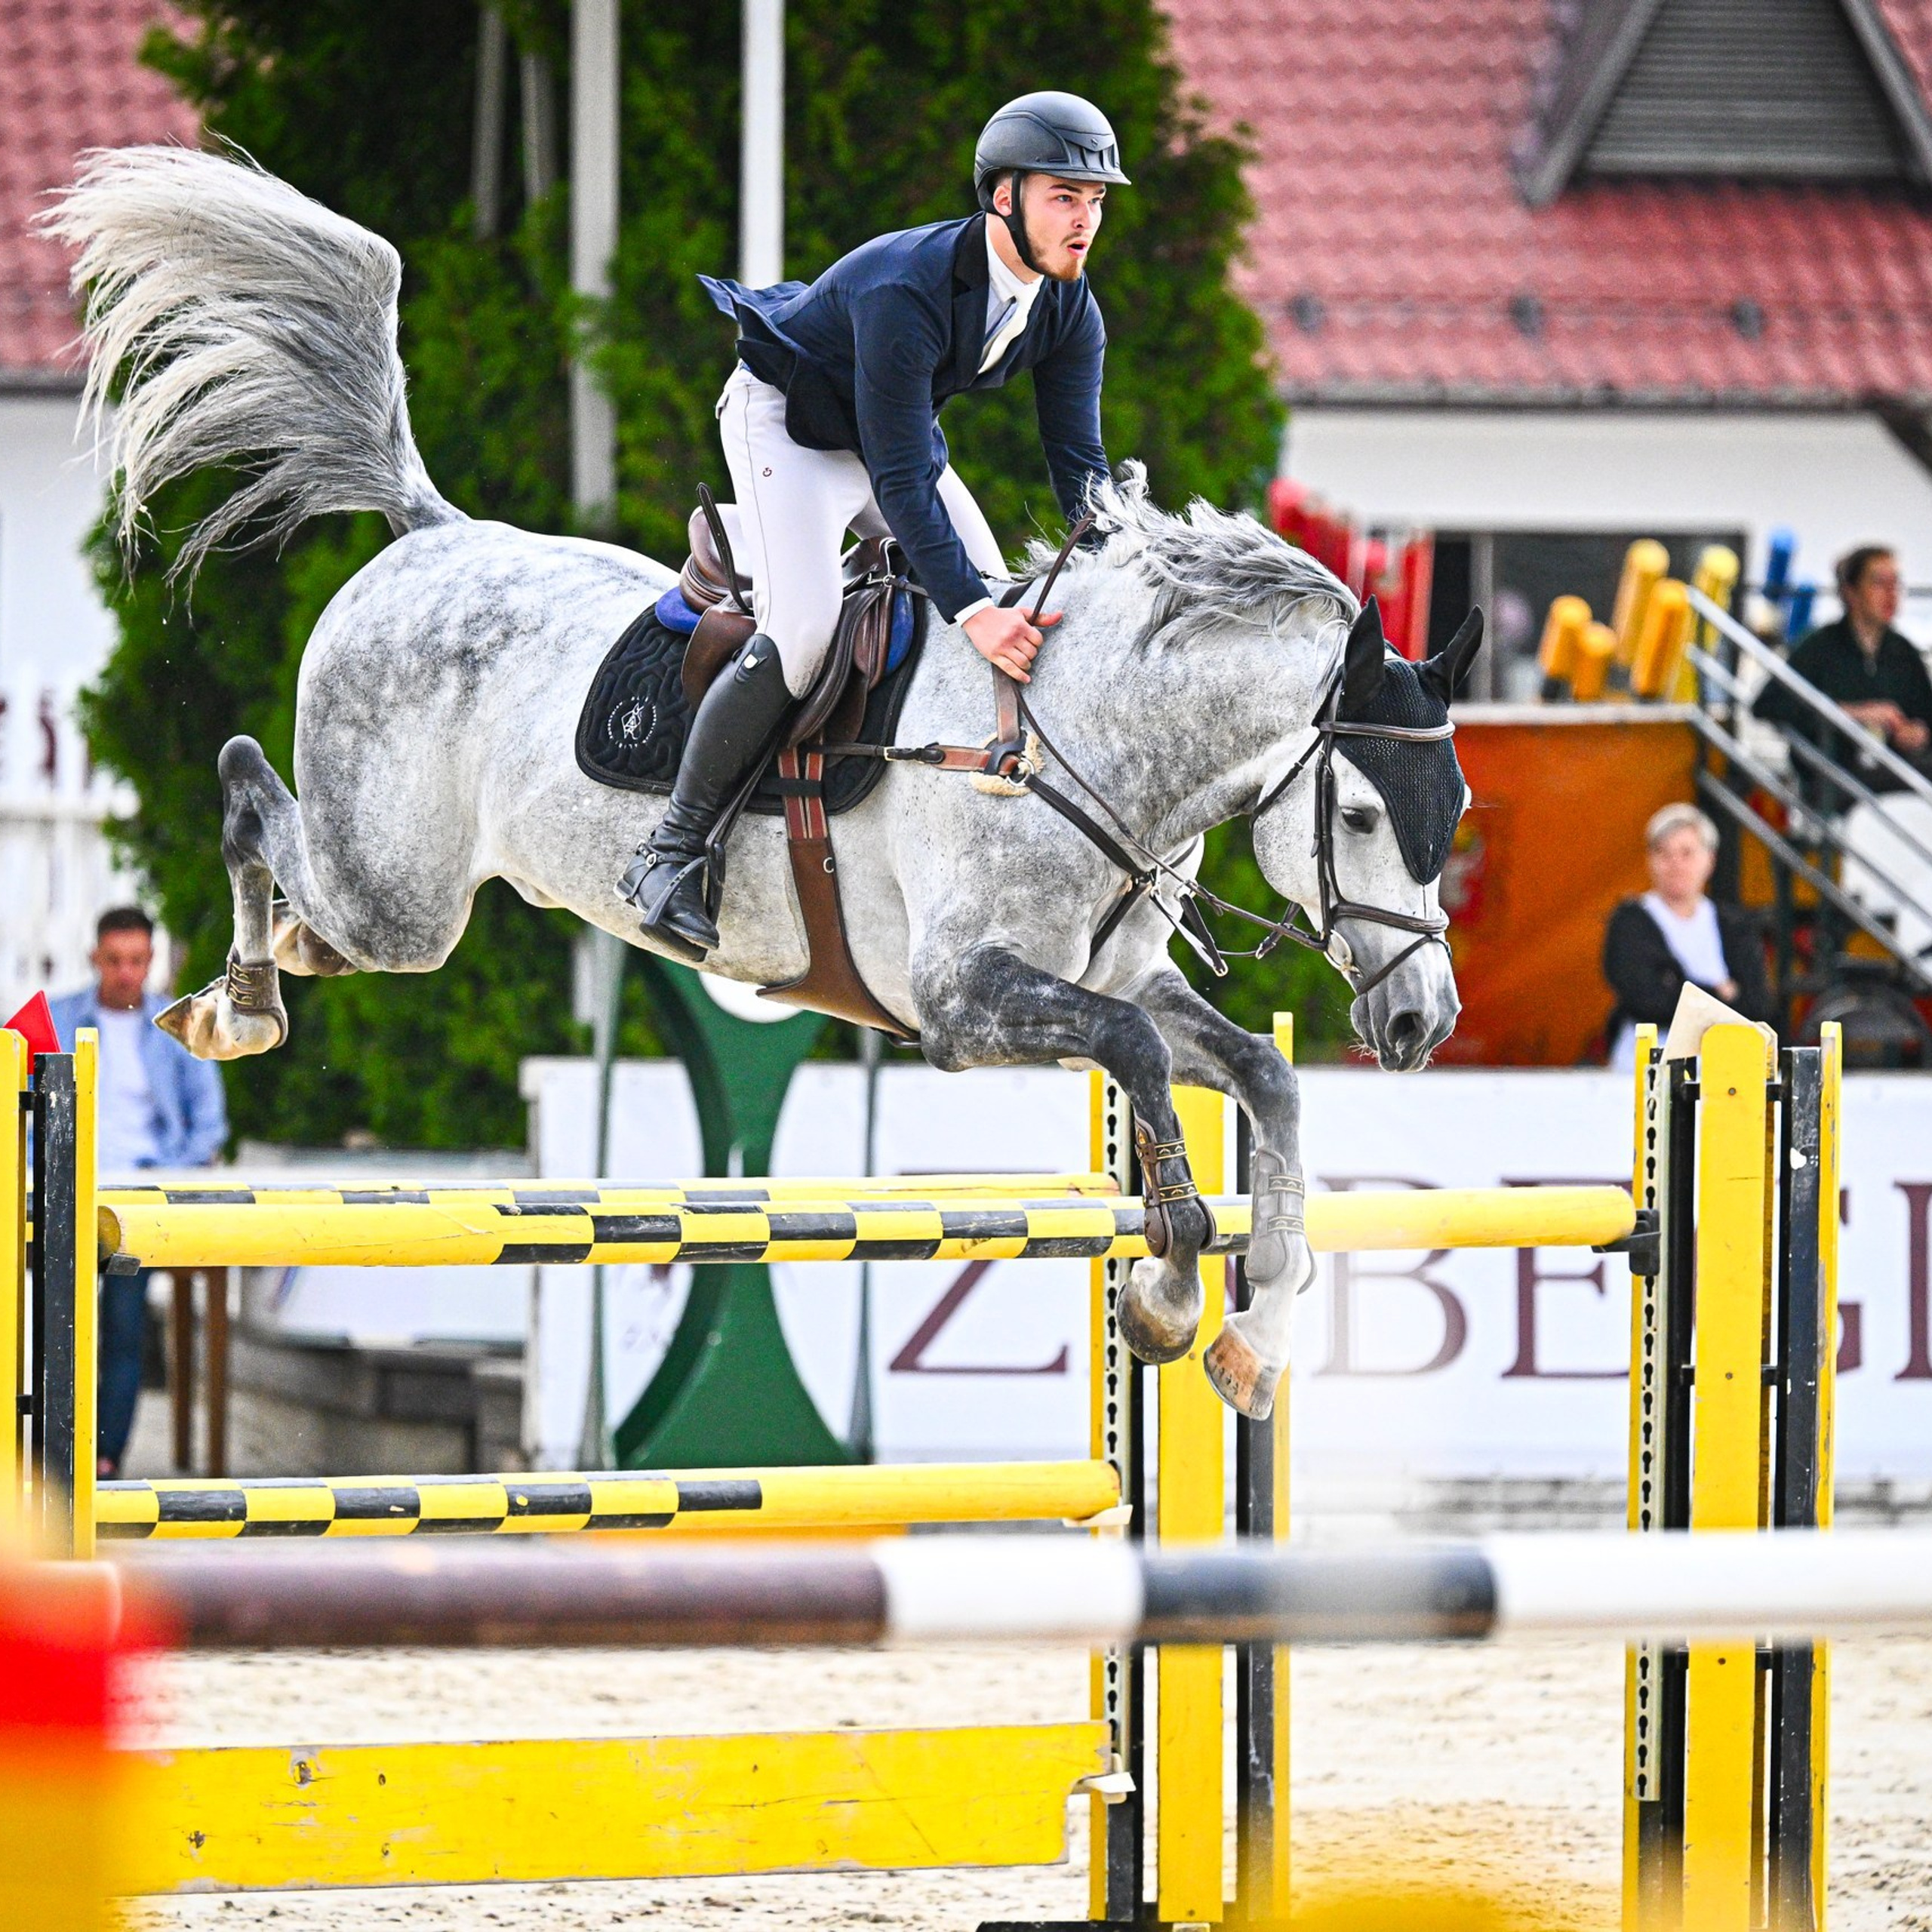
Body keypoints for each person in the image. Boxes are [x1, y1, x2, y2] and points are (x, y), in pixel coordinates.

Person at [618, 91, 1128, 958]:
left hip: (882, 436)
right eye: (1064, 197)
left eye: (1096, 201)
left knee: (995, 596)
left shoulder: (1068, 308)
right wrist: (974, 612)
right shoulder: (908, 287)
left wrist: (1125, 565)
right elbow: (899, 478)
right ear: (1003, 197)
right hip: (786, 424)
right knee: (807, 629)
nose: (1085, 221)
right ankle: (671, 852)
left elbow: (1079, 462)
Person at [50, 907, 227, 1477]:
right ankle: (56, 1460)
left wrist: (169, 1178)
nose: (126, 973)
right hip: (68, 1193)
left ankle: (104, 1459)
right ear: (95, 958)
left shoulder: (178, 1027)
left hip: (139, 1200)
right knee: (58, 1330)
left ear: (151, 960)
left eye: (136, 960)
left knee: (124, 1326)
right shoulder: (58, 1019)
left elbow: (209, 1123)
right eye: (114, 960)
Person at [1754, 545, 1932, 813]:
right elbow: (1767, 704)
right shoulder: (1819, 647)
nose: (1891, 593)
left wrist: (1918, 732)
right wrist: (1850, 713)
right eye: (1879, 583)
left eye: (1895, 583)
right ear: (1851, 591)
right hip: (1835, 775)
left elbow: (1926, 715)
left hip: (1894, 773)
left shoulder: (1902, 651)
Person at [1602, 804, 1773, 1069]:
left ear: (1710, 859)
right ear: (1650, 860)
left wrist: (1677, 985)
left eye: (1687, 853)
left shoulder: (1734, 925)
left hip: (1723, 1070)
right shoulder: (1630, 921)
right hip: (1645, 1067)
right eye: (1664, 853)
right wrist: (1720, 992)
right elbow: (1645, 997)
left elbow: (1758, 1002)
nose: (1676, 865)